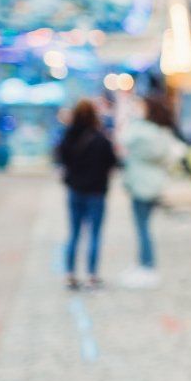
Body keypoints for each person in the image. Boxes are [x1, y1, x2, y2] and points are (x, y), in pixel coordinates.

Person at [118, 94, 185, 288]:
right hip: (152, 184)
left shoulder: (143, 131)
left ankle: (147, 265)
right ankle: (143, 264)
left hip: (142, 186)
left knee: (142, 228)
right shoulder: (160, 132)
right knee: (143, 227)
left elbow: (124, 139)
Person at [56, 99, 117, 290]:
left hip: (75, 190)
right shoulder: (101, 138)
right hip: (96, 192)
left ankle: (70, 274)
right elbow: (112, 162)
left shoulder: (68, 136)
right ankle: (92, 275)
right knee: (94, 234)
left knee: (74, 233)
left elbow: (60, 158)